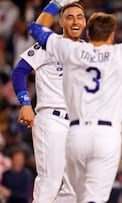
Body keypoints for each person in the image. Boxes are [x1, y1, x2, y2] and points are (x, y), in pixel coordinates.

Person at [26, 0, 122, 202]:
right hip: (106, 136)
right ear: (111, 36)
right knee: (89, 198)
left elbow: (34, 28)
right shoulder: (121, 53)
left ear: (87, 33)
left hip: (76, 134)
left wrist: (56, 3)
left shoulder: (71, 50)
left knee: (73, 195)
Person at [11, 2, 86, 202]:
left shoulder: (89, 51)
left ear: (85, 22)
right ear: (60, 22)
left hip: (78, 123)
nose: (75, 20)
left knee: (74, 189)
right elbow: (19, 71)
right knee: (50, 182)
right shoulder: (49, 43)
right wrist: (25, 103)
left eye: (79, 16)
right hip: (52, 118)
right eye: (69, 17)